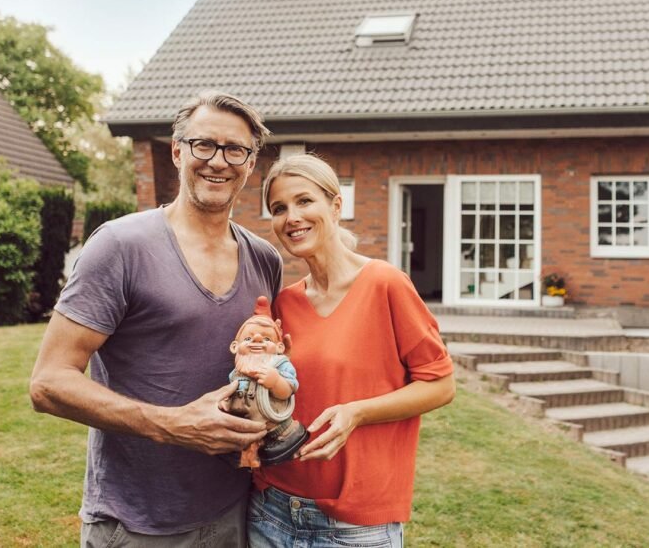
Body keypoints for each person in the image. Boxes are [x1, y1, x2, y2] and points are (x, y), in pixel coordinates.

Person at [29, 92, 283, 546]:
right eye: (204, 144)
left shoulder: (265, 259)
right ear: (177, 151)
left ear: (250, 164)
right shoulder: (120, 246)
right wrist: (172, 425)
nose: (218, 161)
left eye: (235, 150)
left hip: (235, 514)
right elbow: (48, 383)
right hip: (136, 523)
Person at [250, 153, 455, 548]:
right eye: (279, 208)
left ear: (336, 205)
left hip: (355, 526)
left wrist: (357, 412)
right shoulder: (285, 303)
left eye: (304, 201)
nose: (292, 217)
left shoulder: (385, 284)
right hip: (271, 511)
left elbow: (441, 386)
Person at [219, 296, 308, 468]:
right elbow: (232, 391)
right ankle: (248, 456)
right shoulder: (237, 372)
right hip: (247, 422)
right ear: (235, 347)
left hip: (274, 423)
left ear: (280, 348)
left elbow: (289, 390)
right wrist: (226, 402)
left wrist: (275, 382)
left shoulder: (280, 365)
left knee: (280, 434)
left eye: (267, 339)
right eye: (248, 339)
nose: (257, 339)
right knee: (242, 441)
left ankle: (284, 441)